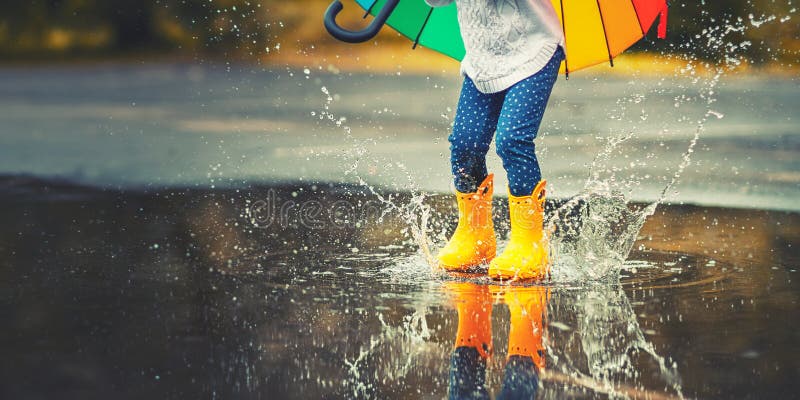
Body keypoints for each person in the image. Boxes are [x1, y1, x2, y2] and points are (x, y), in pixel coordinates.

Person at [426, 0, 565, 281]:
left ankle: (529, 242)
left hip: (533, 50)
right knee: (465, 145)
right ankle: (475, 236)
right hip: (483, 61)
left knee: (512, 140)